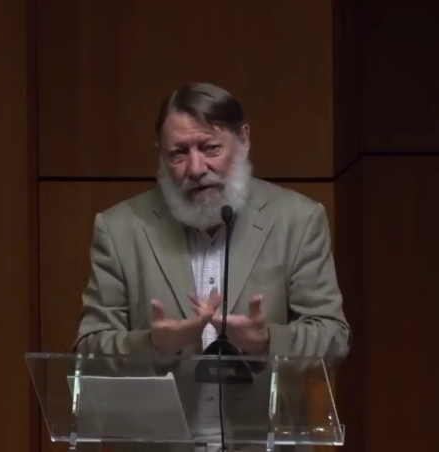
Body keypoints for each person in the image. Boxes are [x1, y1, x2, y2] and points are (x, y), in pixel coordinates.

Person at [75, 82, 349, 360]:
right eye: (178, 154)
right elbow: (89, 347)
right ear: (161, 155)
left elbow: (333, 337)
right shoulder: (119, 228)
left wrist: (267, 340)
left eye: (210, 148)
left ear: (243, 140)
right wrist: (152, 344)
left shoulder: (298, 220)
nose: (195, 169)